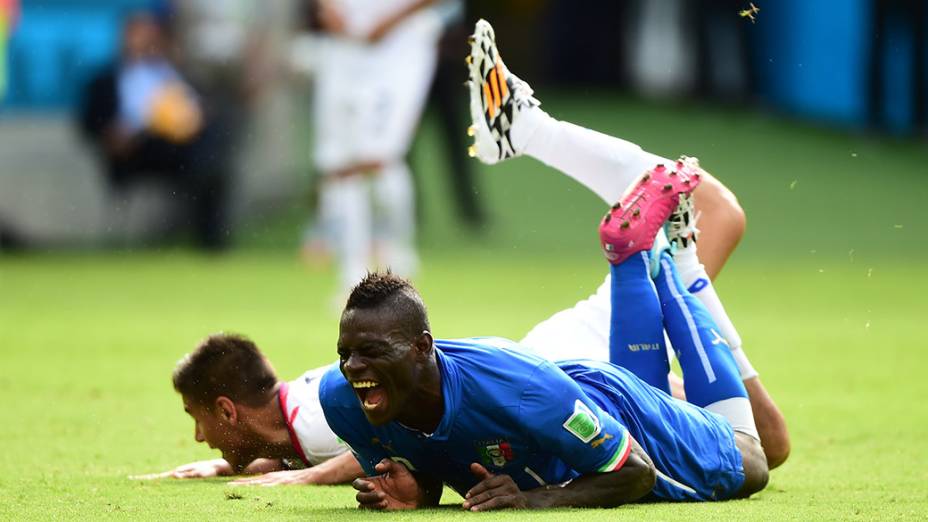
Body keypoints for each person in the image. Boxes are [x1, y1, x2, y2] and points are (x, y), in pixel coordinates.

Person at [319, 162, 767, 510]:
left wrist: (536, 499)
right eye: (346, 353)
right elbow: (431, 467)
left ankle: (675, 260)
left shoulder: (515, 388)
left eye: (372, 352)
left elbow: (636, 472)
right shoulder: (342, 400)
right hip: (554, 409)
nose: (353, 367)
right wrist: (417, 492)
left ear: (422, 347)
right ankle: (648, 260)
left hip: (608, 406)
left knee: (755, 458)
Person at [466, 19, 788, 468]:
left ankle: (531, 132)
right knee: (716, 215)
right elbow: (769, 445)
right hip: (558, 374)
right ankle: (531, 132)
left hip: (551, 375)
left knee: (713, 215)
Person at [302, 0, 444, 301]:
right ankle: (352, 275)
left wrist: (392, 19)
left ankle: (398, 262)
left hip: (398, 46)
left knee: (378, 159)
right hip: (343, 46)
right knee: (341, 165)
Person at [78, 12, 232, 250]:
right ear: (124, 37)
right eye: (137, 34)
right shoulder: (105, 80)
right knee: (200, 157)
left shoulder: (172, 74)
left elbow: (200, 107)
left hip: (176, 148)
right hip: (133, 151)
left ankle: (212, 245)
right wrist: (111, 135)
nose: (143, 40)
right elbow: (88, 122)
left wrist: (197, 118)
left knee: (210, 158)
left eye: (149, 35)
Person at [131, 333, 362, 485]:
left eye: (198, 420)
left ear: (226, 411)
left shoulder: (320, 417)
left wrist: (311, 476)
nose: (198, 437)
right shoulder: (301, 411)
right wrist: (225, 466)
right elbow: (312, 451)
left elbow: (394, 446)